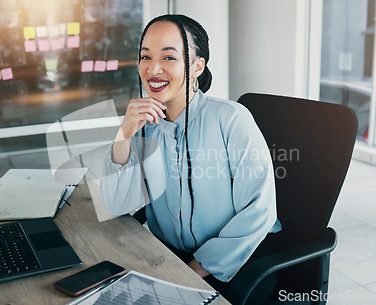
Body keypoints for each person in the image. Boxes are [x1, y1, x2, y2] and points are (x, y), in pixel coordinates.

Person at [100, 14, 281, 303]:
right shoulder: (145, 124)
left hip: (236, 265)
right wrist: (124, 134)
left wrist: (193, 270)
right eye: (145, 57)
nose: (153, 69)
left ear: (197, 66)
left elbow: (260, 209)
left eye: (169, 58)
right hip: (169, 256)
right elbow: (114, 204)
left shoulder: (230, 119)